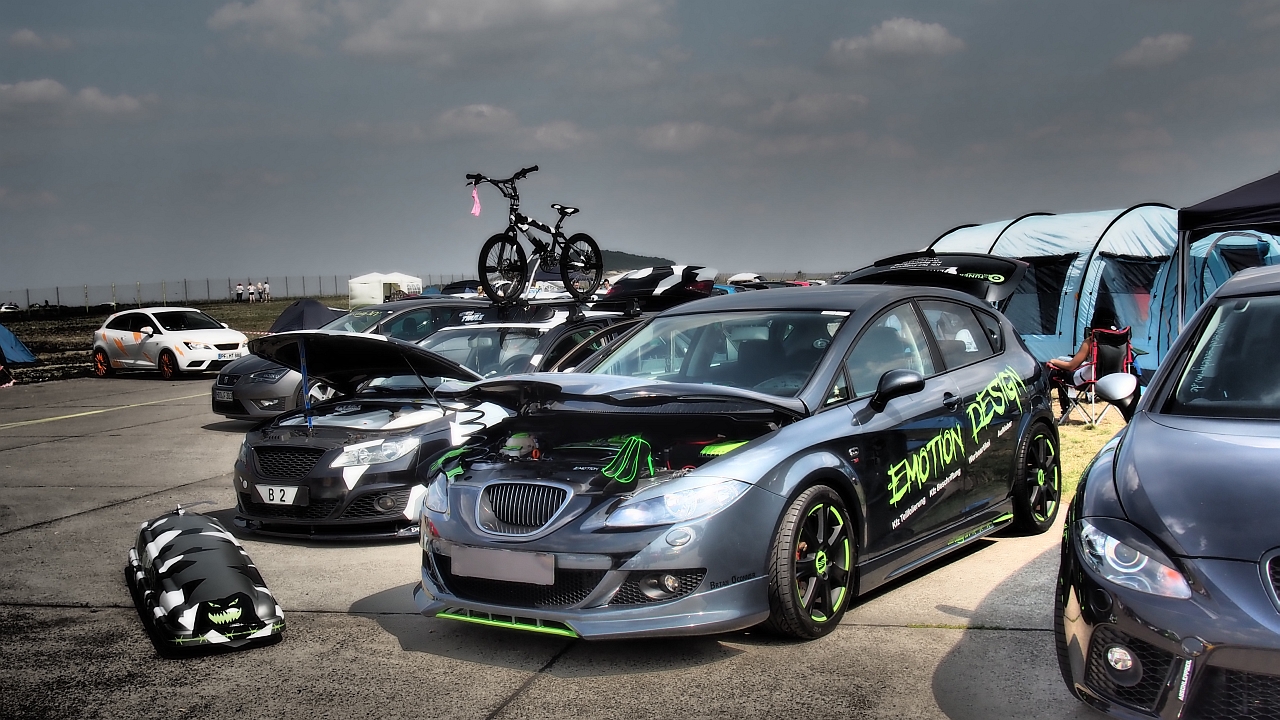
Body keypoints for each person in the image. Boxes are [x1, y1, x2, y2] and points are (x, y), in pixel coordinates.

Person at [1047, 311, 1115, 412]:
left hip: (1090, 380)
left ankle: (1059, 408)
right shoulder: (1120, 340)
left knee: (1057, 372)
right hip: (1112, 380)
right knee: (1061, 358)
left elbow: (1071, 366)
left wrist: (1053, 361)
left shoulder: (1092, 340)